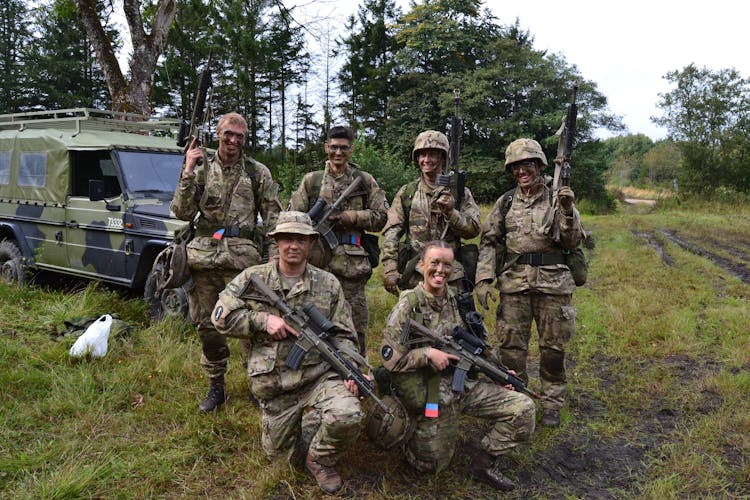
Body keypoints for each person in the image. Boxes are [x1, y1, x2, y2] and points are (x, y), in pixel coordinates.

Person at [210, 211, 364, 494]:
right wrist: (262, 321)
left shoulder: (328, 283)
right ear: (276, 242)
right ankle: (306, 426)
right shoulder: (252, 278)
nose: (293, 245)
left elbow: (345, 336)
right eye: (287, 239)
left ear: (311, 244)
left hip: (320, 378)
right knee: (281, 459)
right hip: (275, 386)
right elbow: (220, 318)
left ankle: (320, 460)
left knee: (347, 413)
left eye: (300, 240)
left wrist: (352, 368)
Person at [380, 240, 536, 491]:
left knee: (523, 408)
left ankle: (484, 463)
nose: (440, 270)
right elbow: (391, 361)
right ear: (421, 266)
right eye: (434, 263)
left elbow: (480, 346)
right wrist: (427, 354)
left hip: (464, 384)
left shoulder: (461, 302)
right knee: (430, 465)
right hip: (428, 388)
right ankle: (411, 425)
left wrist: (500, 373)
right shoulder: (409, 305)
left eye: (447, 265)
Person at [171, 112, 281, 413]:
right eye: (228, 134)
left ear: (245, 139)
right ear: (218, 134)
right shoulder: (201, 169)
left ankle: (257, 385)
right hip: (203, 260)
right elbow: (180, 212)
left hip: (243, 265)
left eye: (239, 136)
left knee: (252, 326)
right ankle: (216, 387)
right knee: (207, 327)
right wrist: (188, 170)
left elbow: (274, 219)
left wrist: (274, 258)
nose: (233, 140)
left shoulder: (258, 173)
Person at [475, 138, 584, 427]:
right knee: (511, 348)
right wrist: (484, 278)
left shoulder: (560, 197)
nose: (522, 171)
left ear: (539, 165)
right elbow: (489, 241)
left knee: (553, 349)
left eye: (528, 165)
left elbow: (573, 241)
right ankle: (517, 398)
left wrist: (568, 211)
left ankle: (551, 402)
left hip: (553, 286)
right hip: (514, 286)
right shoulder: (506, 202)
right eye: (516, 167)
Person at [288, 125, 388, 354]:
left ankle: (358, 372)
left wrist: (352, 217)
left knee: (355, 326)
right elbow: (291, 218)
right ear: (326, 148)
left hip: (351, 268)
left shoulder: (363, 181)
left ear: (351, 150)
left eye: (343, 148)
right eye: (333, 148)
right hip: (315, 267)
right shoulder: (311, 181)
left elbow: (382, 217)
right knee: (312, 325)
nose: (338, 153)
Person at [381, 130, 480, 296]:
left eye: (432, 155)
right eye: (422, 155)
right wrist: (390, 269)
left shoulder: (460, 193)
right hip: (416, 274)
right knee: (414, 321)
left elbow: (474, 230)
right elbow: (392, 233)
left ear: (442, 157)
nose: (426, 160)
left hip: (450, 275)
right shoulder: (407, 193)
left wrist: (451, 213)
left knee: (454, 320)